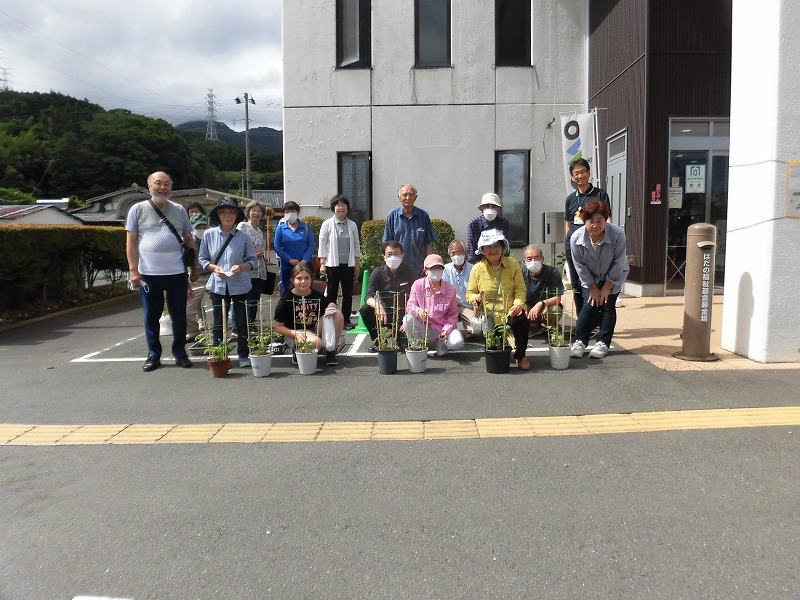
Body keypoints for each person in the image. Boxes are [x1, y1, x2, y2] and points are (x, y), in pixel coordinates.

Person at [125, 171, 198, 372]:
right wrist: (133, 269)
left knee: (179, 316)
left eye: (167, 184)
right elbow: (130, 241)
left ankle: (180, 353)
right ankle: (153, 355)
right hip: (149, 274)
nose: (162, 188)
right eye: (158, 183)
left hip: (177, 273)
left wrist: (195, 266)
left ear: (171, 187)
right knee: (151, 316)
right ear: (149, 186)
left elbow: (189, 240)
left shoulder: (179, 210)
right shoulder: (137, 209)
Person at [198, 196, 257, 368]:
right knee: (218, 322)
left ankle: (243, 354)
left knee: (242, 322)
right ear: (218, 215)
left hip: (240, 285)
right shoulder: (208, 235)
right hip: (218, 285)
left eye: (231, 212)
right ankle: (219, 354)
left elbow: (253, 261)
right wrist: (214, 267)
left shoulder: (244, 237)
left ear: (236, 215)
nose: (227, 215)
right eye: (223, 212)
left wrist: (241, 267)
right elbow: (202, 259)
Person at [569, 200, 629, 359]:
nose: (595, 225)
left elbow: (619, 262)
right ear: (585, 221)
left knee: (608, 306)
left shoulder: (617, 234)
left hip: (613, 275)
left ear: (606, 219)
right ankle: (579, 341)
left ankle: (603, 342)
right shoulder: (576, 238)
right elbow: (579, 265)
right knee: (589, 305)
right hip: (590, 277)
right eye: (591, 221)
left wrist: (607, 287)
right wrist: (593, 287)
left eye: (599, 220)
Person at [466, 229, 531, 370]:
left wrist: (518, 304)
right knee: (495, 346)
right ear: (482, 250)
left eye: (496, 245)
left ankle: (521, 355)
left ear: (502, 247)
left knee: (521, 320)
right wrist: (477, 298)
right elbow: (470, 293)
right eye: (488, 246)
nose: (493, 249)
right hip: (489, 315)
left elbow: (520, 289)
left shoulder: (513, 264)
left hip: (510, 311)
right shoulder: (477, 269)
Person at [564, 158, 611, 315]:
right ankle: (582, 318)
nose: (580, 176)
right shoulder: (570, 199)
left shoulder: (600, 195)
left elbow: (607, 220)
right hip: (574, 249)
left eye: (583, 172)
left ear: (589, 173)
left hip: (594, 248)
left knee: (594, 283)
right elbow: (568, 223)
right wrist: (568, 242)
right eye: (576, 173)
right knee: (577, 285)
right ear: (572, 177)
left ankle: (596, 319)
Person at [273, 264, 345, 366]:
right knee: (316, 342)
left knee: (337, 314)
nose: (303, 281)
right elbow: (277, 326)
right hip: (296, 333)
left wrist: (332, 305)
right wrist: (295, 334)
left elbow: (329, 304)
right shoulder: (286, 300)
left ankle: (331, 351)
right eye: (299, 278)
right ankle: (298, 350)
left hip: (315, 329)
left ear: (311, 280)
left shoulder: (316, 295)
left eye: (307, 278)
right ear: (292, 280)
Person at [359, 241, 418, 351]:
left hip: (403, 315)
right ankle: (379, 341)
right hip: (384, 314)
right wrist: (378, 306)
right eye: (389, 254)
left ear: (402, 255)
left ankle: (401, 338)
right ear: (384, 257)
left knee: (403, 347)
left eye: (396, 254)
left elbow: (418, 293)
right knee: (365, 310)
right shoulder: (377, 272)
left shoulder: (409, 270)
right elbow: (368, 296)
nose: (393, 257)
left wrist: (410, 316)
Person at [403, 254, 464, 356]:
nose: (436, 270)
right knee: (407, 319)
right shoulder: (418, 285)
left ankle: (442, 343)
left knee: (457, 343)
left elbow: (453, 315)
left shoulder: (451, 289)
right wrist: (419, 311)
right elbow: (410, 306)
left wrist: (446, 330)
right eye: (432, 268)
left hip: (442, 327)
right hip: (423, 325)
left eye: (439, 268)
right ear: (425, 270)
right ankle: (417, 345)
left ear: (443, 270)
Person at [318, 194, 361, 329]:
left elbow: (356, 244)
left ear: (347, 208)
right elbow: (322, 244)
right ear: (333, 208)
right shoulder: (327, 224)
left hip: (348, 264)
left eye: (343, 205)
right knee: (331, 292)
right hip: (332, 264)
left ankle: (345, 319)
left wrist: (357, 263)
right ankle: (330, 319)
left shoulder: (352, 225)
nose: (341, 208)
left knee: (348, 293)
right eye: (338, 205)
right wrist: (322, 263)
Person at [382, 184, 436, 275]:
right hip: (397, 268)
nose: (408, 198)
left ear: (415, 197)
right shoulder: (392, 216)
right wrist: (390, 266)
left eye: (411, 195)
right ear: (398, 197)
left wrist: (429, 265)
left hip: (419, 269)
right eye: (404, 195)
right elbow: (388, 245)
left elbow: (428, 244)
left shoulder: (423, 216)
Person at [238, 201, 271, 327]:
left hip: (259, 270)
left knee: (254, 299)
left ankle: (251, 324)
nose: (256, 213)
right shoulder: (242, 226)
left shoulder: (259, 231)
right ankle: (239, 326)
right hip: (246, 269)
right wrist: (253, 254)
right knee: (243, 299)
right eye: (254, 210)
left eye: (259, 211)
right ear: (248, 212)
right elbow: (237, 246)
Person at [274, 200, 315, 295]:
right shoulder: (281, 228)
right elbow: (277, 247)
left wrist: (305, 260)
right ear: (284, 214)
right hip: (287, 267)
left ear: (298, 212)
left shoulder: (306, 227)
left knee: (304, 291)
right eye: (287, 212)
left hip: (304, 267)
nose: (290, 214)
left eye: (292, 211)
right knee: (287, 293)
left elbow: (311, 245)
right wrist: (289, 260)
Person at [521, 244, 564, 334]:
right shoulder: (521, 274)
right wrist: (523, 306)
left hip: (546, 308)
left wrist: (541, 304)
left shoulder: (552, 272)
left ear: (542, 259)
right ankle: (533, 325)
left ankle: (551, 328)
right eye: (529, 259)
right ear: (524, 262)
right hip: (529, 309)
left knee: (555, 310)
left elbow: (557, 298)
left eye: (536, 258)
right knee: (518, 309)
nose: (533, 261)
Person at [442, 239, 477, 336]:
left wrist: (476, 314)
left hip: (469, 306)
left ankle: (469, 330)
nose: (456, 256)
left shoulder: (474, 269)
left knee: (476, 330)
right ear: (449, 255)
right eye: (453, 253)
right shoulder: (445, 269)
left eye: (458, 252)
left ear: (466, 253)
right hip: (451, 306)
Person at [185, 212, 210, 342]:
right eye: (198, 227)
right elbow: (183, 263)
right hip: (196, 278)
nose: (201, 229)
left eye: (203, 226)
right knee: (187, 310)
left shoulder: (213, 238)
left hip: (213, 275)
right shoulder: (188, 242)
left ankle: (220, 333)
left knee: (222, 305)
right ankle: (193, 332)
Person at [466, 193, 511, 264]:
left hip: (499, 264)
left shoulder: (504, 223)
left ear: (498, 209)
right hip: (480, 264)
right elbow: (472, 254)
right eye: (487, 206)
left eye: (494, 207)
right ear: (482, 209)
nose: (490, 209)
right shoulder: (473, 224)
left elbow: (506, 249)